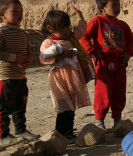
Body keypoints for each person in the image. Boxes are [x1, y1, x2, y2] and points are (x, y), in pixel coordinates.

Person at [79, 0, 133, 130]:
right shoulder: (97, 21)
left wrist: (128, 53)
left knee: (119, 91)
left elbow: (131, 41)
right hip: (103, 62)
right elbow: (84, 38)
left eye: (119, 5)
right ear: (102, 7)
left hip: (120, 63)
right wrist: (93, 52)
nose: (117, 8)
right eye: (113, 5)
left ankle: (117, 119)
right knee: (102, 91)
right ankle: (99, 121)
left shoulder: (123, 25)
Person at [0, 0, 39, 146]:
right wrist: (15, 58)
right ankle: (3, 136)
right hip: (6, 76)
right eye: (15, 11)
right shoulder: (0, 32)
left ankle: (21, 131)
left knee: (20, 105)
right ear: (2, 14)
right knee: (4, 107)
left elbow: (29, 51)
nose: (19, 14)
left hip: (21, 76)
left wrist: (29, 59)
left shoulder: (22, 33)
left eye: (21, 11)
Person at [39, 7, 94, 141]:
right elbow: (43, 58)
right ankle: (60, 134)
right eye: (61, 29)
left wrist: (80, 16)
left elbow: (81, 30)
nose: (65, 31)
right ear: (50, 28)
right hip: (59, 78)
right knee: (63, 107)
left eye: (66, 28)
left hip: (73, 77)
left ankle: (68, 132)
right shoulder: (49, 42)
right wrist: (61, 55)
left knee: (71, 107)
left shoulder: (71, 38)